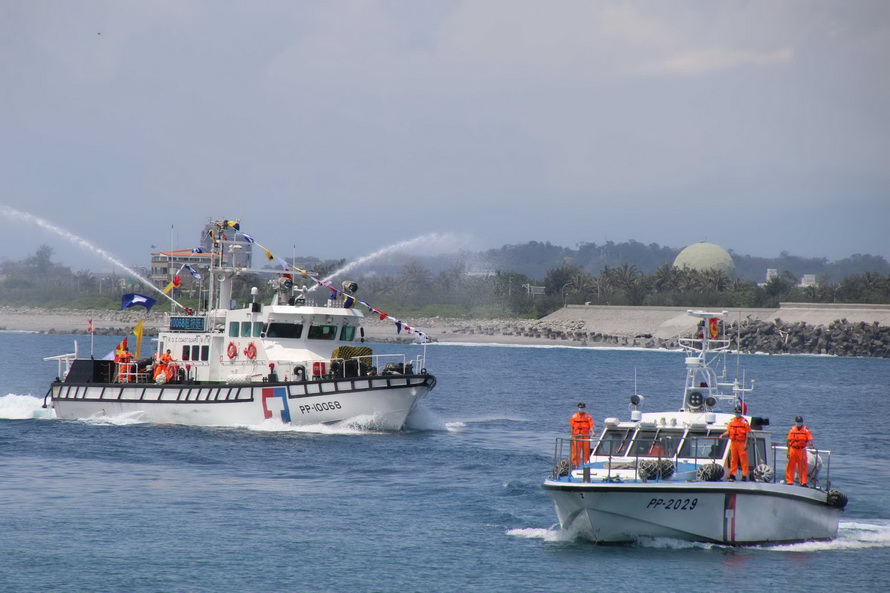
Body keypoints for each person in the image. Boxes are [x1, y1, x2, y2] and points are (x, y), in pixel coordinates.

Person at [719, 406, 751, 481]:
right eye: (736, 412)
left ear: (741, 413)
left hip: (741, 443)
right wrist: (722, 435)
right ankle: (732, 474)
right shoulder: (731, 421)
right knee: (733, 460)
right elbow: (728, 431)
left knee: (743, 460)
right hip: (733, 442)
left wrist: (746, 444)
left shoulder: (745, 421)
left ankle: (744, 475)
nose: (737, 414)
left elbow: (747, 434)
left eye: (738, 412)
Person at [786, 416, 814, 486]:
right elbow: (788, 441)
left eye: (800, 422)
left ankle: (803, 482)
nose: (799, 423)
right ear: (796, 422)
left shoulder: (806, 430)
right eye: (798, 422)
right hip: (793, 449)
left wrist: (811, 446)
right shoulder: (792, 429)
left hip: (801, 450)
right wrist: (788, 451)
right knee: (790, 466)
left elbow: (809, 439)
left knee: (803, 467)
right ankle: (789, 481)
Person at [569, 402, 595, 468]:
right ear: (578, 408)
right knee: (575, 453)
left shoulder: (588, 416)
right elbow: (572, 426)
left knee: (586, 452)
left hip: (585, 437)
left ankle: (586, 465)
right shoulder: (574, 416)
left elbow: (591, 425)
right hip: (576, 437)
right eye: (580, 408)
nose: (581, 409)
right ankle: (575, 465)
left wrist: (592, 432)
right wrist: (571, 435)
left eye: (583, 408)